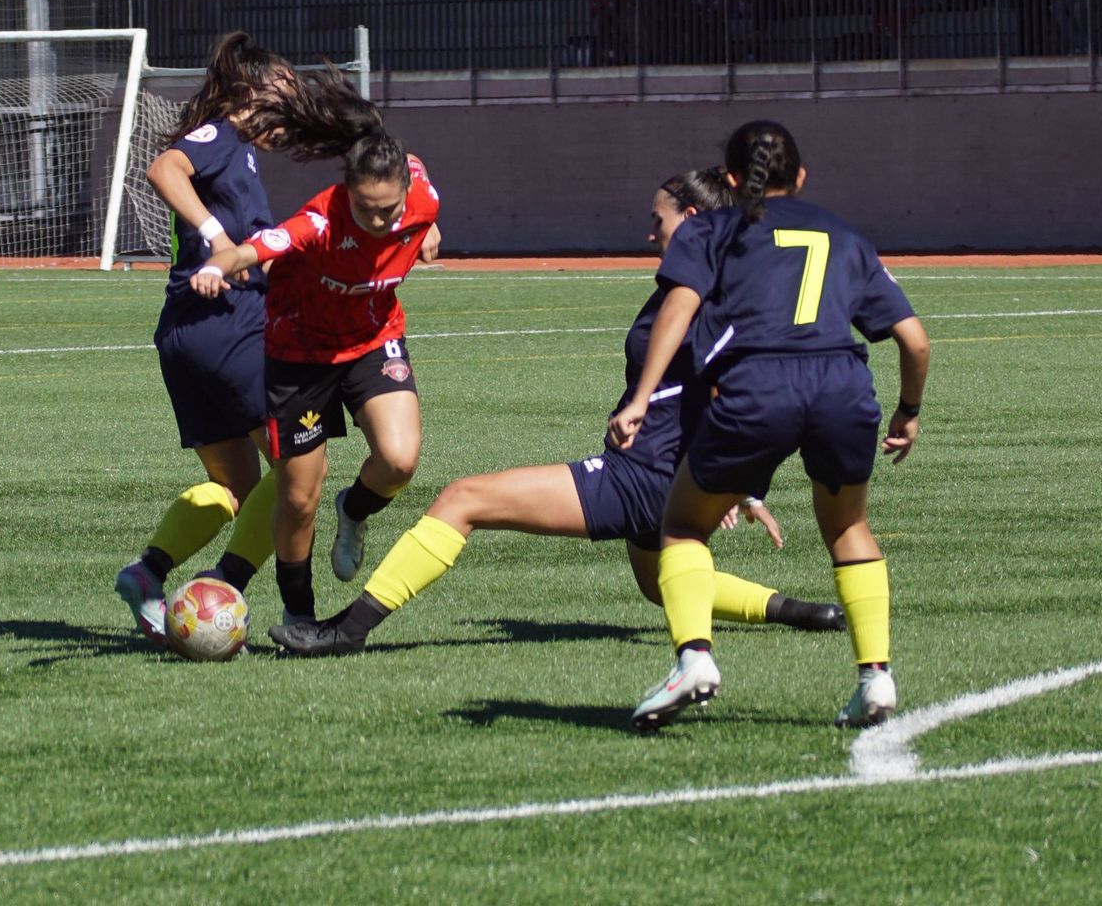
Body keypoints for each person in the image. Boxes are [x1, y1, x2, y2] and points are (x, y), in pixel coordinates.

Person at [269, 167, 846, 659]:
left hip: (643, 477)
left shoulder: (696, 296)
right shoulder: (710, 283)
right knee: (660, 584)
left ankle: (348, 631)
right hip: (663, 475)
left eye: (659, 221)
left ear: (692, 217)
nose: (650, 234)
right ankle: (800, 612)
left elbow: (737, 392)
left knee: (462, 499)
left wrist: (724, 482)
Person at [612, 120, 930, 732]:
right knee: (848, 527)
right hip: (843, 387)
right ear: (802, 177)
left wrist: (641, 397)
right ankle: (876, 677)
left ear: (731, 180)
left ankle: (694, 660)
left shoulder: (710, 229)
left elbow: (679, 310)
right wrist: (908, 411)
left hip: (758, 387)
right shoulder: (845, 236)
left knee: (680, 525)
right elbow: (915, 341)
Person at [189, 73, 440, 628]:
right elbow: (257, 248)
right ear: (347, 192)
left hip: (373, 340)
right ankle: (298, 614)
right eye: (369, 210)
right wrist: (216, 264)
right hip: (300, 357)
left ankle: (353, 510)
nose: (381, 221)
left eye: (391, 209)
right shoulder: (320, 221)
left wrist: (428, 228)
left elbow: (418, 170)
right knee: (299, 497)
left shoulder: (419, 196)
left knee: (399, 461)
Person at [114, 33, 295, 644]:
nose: (292, 111)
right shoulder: (223, 136)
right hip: (229, 325)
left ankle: (150, 572)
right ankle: (229, 591)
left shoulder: (237, 153)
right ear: (251, 93)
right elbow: (164, 167)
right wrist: (219, 238)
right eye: (286, 95)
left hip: (186, 334)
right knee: (300, 473)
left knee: (238, 490)